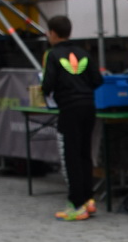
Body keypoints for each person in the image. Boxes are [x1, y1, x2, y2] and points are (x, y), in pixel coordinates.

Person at [39, 15, 104, 222]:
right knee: (85, 153)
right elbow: (97, 79)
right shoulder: (83, 52)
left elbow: (48, 83)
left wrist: (47, 91)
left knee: (72, 156)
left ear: (52, 33)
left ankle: (76, 204)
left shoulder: (52, 55)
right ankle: (88, 199)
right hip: (89, 106)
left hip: (69, 108)